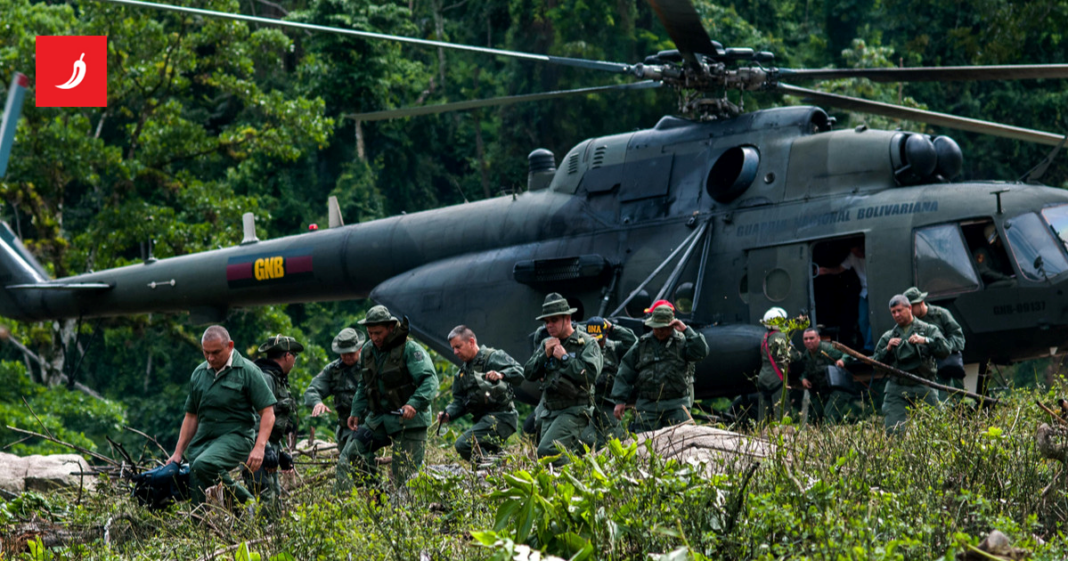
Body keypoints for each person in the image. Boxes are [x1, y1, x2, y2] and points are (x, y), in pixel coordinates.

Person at [167, 326, 276, 505]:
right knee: (199, 488)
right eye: (206, 352)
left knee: (204, 464)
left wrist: (260, 447)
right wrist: (178, 452)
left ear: (230, 346)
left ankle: (246, 500)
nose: (210, 358)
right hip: (203, 440)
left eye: (216, 352)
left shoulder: (248, 371)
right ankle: (203, 526)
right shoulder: (199, 374)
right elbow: (191, 416)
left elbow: (268, 413)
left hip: (237, 436)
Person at [339, 306, 438, 491]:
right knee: (355, 452)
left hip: (410, 420)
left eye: (378, 332)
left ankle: (404, 512)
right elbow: (364, 383)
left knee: (405, 477)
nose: (374, 337)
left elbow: (430, 381)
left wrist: (413, 404)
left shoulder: (410, 349)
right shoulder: (368, 350)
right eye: (370, 333)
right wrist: (356, 410)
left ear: (391, 328)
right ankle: (377, 498)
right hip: (381, 417)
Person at [523, 293, 602, 465]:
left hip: (575, 410)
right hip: (550, 411)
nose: (549, 325)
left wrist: (565, 358)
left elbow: (590, 375)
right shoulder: (548, 343)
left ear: (567, 318)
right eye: (546, 322)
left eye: (554, 320)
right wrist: (545, 355)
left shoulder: (587, 343)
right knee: (547, 460)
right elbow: (528, 373)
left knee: (547, 451)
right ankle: (577, 480)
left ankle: (578, 478)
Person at [610, 305, 708, 432]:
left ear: (672, 325)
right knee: (645, 445)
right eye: (657, 328)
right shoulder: (642, 344)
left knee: (681, 443)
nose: (661, 331)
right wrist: (620, 400)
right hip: (648, 406)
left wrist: (686, 330)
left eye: (665, 328)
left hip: (676, 405)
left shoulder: (683, 342)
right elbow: (626, 370)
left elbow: (701, 352)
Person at [439, 325, 524, 464]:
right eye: (453, 348)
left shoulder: (492, 357)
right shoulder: (462, 374)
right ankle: (501, 469)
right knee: (489, 453)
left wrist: (501, 374)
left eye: (458, 347)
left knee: (464, 444)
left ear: (471, 342)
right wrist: (448, 414)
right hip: (484, 421)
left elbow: (520, 372)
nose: (455, 352)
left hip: (502, 418)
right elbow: (459, 401)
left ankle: (491, 470)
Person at [873, 294, 951, 434]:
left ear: (909, 308)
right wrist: (888, 349)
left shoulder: (928, 329)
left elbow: (945, 349)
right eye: (893, 312)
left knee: (938, 429)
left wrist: (925, 340)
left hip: (924, 384)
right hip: (897, 388)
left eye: (899, 310)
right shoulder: (888, 336)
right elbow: (875, 364)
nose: (896, 315)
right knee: (894, 432)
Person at [244, 334, 303, 513]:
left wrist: (279, 454)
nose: (294, 361)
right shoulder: (266, 378)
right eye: (294, 356)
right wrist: (265, 448)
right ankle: (255, 540)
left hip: (267, 449)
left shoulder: (276, 378)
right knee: (263, 504)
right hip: (257, 451)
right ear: (287, 356)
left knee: (274, 506)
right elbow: (255, 417)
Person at [304, 327, 366, 487]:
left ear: (359, 349)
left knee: (346, 464)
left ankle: (345, 499)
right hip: (345, 429)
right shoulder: (333, 370)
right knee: (358, 470)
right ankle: (366, 500)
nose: (347, 357)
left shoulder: (369, 367)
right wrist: (317, 402)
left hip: (367, 427)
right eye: (344, 353)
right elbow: (312, 389)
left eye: (351, 353)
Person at [904, 287, 967, 403]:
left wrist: (943, 347)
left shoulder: (941, 314)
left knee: (959, 403)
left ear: (921, 303)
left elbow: (959, 338)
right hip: (925, 372)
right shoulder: (910, 324)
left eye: (911, 307)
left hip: (946, 367)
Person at [585, 316, 637, 446]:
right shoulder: (582, 348)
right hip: (585, 403)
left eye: (599, 339)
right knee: (586, 441)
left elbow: (633, 342)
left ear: (606, 335)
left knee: (613, 440)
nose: (596, 343)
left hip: (608, 402)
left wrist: (613, 328)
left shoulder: (614, 348)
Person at [818, 243, 872, 351]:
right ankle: (868, 347)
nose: (856, 254)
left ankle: (870, 346)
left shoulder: (871, 252)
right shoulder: (852, 257)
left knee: (872, 320)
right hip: (864, 292)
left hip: (875, 290)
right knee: (862, 321)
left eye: (857, 251)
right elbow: (840, 268)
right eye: (853, 252)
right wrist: (826, 271)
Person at [796, 328, 855, 424]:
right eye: (805, 339)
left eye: (811, 338)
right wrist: (803, 379)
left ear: (818, 338)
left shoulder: (828, 349)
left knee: (829, 415)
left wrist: (842, 361)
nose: (808, 341)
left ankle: (831, 437)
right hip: (823, 392)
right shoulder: (807, 355)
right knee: (815, 417)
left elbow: (848, 353)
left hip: (838, 390)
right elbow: (807, 370)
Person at [756, 307, 793, 423]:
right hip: (777, 379)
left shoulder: (765, 337)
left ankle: (760, 437)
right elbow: (792, 356)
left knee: (763, 417)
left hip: (763, 378)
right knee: (782, 415)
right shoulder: (781, 337)